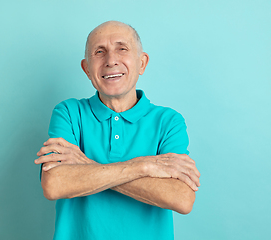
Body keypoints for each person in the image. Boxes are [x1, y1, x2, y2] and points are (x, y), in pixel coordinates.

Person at [34, 21, 201, 240]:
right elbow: (54, 185)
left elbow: (181, 199)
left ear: (142, 63)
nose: (111, 60)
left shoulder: (168, 121)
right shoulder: (69, 113)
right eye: (99, 52)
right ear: (86, 68)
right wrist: (144, 166)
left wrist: (86, 166)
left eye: (122, 49)